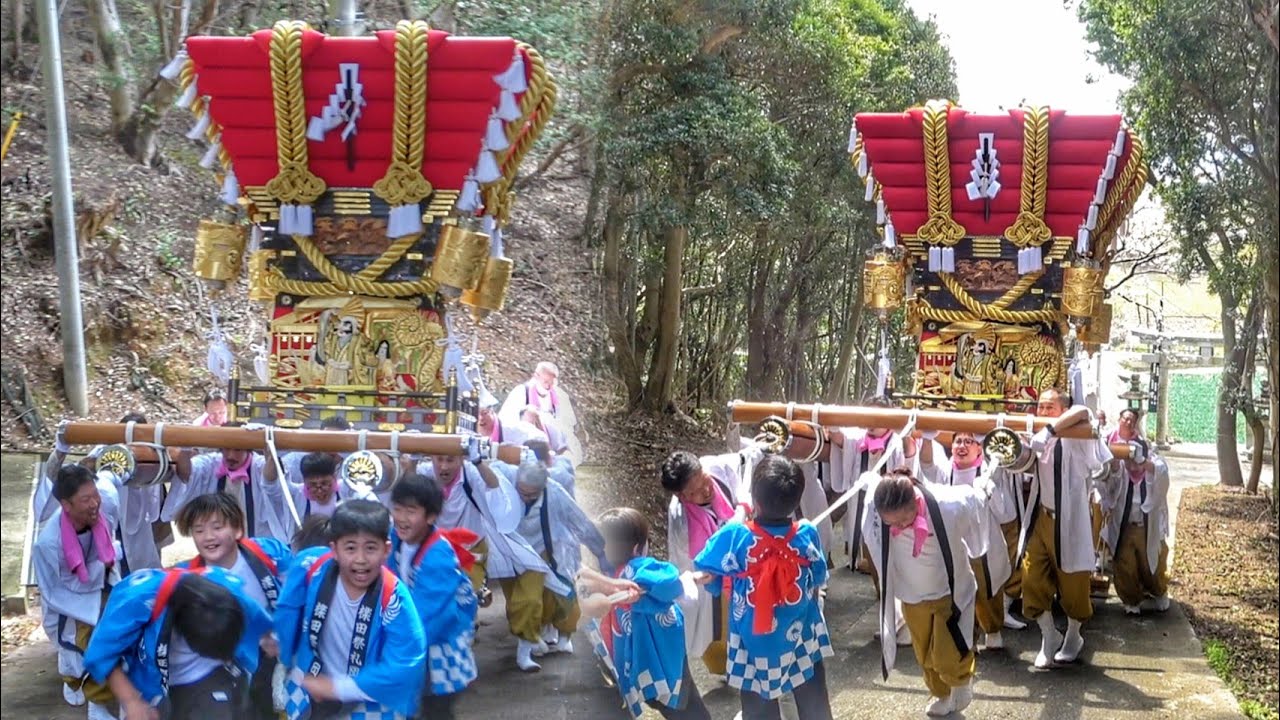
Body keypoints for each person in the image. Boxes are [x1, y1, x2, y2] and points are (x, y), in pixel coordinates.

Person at [693, 455, 834, 720]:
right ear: (797, 500)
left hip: (753, 641)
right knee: (812, 696)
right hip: (800, 632)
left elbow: (707, 563)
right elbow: (818, 575)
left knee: (758, 703)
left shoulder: (735, 536)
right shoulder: (805, 533)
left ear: (756, 500)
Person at [274, 500, 427, 719]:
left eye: (371, 548)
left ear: (387, 549)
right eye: (351, 547)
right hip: (314, 684)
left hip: (370, 697)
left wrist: (337, 688)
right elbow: (287, 610)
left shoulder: (394, 596)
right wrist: (286, 654)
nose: (360, 559)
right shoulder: (310, 567)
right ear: (334, 549)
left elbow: (407, 659)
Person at [419, 447, 561, 672]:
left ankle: (522, 651)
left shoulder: (472, 473)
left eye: (450, 459)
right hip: (438, 549)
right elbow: (398, 476)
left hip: (481, 547)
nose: (444, 466)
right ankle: (448, 646)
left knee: (518, 600)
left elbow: (493, 485)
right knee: (439, 600)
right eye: (439, 458)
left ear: (462, 459)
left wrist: (477, 462)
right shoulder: (425, 472)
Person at [865, 468, 992, 717]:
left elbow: (974, 498)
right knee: (924, 653)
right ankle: (941, 693)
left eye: (904, 519)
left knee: (948, 650)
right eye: (893, 523)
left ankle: (961, 680)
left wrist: (984, 487)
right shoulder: (877, 509)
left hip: (948, 590)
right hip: (911, 594)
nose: (899, 526)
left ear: (915, 499)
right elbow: (869, 485)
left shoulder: (949, 504)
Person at [83, 567, 273, 720]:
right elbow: (102, 654)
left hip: (215, 675)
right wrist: (131, 700)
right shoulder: (136, 599)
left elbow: (267, 630)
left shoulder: (227, 590)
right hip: (155, 684)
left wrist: (277, 645)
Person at [580, 507, 711, 720]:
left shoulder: (611, 575)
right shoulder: (639, 568)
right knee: (694, 714)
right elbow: (667, 581)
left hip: (640, 665)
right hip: (665, 663)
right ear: (637, 548)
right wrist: (688, 578)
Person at [174, 493, 293, 720]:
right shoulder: (188, 578)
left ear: (238, 530)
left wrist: (283, 634)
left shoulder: (270, 552)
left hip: (272, 649)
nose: (208, 537)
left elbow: (296, 595)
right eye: (198, 530)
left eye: (217, 527)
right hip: (222, 659)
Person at [1020, 388, 1112, 668]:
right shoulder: (1034, 435)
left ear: (1062, 410)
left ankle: (1074, 635)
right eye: (1041, 407)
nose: (1044, 411)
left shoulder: (1076, 434)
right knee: (1031, 579)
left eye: (1050, 407)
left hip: (1071, 521)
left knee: (1073, 585)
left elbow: (1082, 411)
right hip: (1041, 517)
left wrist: (1049, 429)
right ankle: (1049, 634)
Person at [661, 444, 763, 675]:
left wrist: (744, 508)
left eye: (703, 480)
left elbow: (747, 461)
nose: (705, 490)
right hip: (714, 577)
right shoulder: (680, 518)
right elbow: (682, 560)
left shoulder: (716, 467)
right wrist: (693, 578)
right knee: (719, 629)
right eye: (695, 491)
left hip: (749, 558)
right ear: (681, 495)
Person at [33, 464, 122, 720]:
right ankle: (97, 704)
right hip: (70, 606)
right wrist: (106, 561)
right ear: (66, 505)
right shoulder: (49, 544)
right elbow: (62, 588)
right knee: (88, 648)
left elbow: (111, 476)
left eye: (95, 495)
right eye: (86, 499)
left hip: (104, 585)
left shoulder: (102, 506)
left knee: (123, 633)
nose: (95, 503)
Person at [388, 473, 479, 719]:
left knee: (436, 710)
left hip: (438, 646)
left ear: (430, 516)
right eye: (397, 509)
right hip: (411, 639)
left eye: (410, 511)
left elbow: (430, 615)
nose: (401, 518)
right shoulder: (395, 538)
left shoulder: (438, 556)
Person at [918, 431, 1017, 649]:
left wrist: (992, 493)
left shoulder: (990, 471)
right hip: (953, 542)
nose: (962, 446)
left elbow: (1006, 514)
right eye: (958, 441)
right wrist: (925, 436)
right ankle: (965, 636)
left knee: (986, 586)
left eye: (969, 441)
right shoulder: (946, 471)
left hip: (984, 543)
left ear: (979, 448)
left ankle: (992, 630)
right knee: (955, 589)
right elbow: (927, 466)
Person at [39, 415, 166, 576]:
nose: (131, 447)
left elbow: (159, 517)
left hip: (140, 539)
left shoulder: (154, 460)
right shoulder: (100, 455)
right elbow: (58, 481)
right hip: (100, 531)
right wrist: (60, 450)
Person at [512, 462, 609, 663]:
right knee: (527, 599)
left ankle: (563, 635)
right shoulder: (508, 483)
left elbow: (579, 521)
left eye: (531, 495)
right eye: (522, 492)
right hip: (521, 551)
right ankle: (528, 642)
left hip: (553, 548)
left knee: (565, 594)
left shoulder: (555, 493)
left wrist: (599, 551)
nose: (525, 497)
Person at [163, 424, 286, 542]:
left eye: (238, 449)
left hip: (258, 543)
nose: (230, 455)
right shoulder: (211, 463)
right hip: (217, 544)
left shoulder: (258, 466)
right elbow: (186, 475)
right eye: (226, 448)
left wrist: (269, 446)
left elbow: (271, 480)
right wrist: (185, 445)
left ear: (248, 450)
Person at [1102, 409, 1171, 614]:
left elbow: (1162, 473)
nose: (1132, 465)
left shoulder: (1151, 464)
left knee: (1152, 562)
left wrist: (1144, 464)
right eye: (1125, 418)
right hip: (1124, 525)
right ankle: (1131, 600)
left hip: (1146, 524)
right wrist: (1116, 464)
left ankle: (1158, 591)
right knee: (1124, 563)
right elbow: (1109, 485)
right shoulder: (1122, 470)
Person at [264, 450, 376, 540]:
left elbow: (370, 502)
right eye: (312, 485)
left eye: (325, 483)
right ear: (304, 481)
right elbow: (271, 487)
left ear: (334, 477)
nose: (319, 490)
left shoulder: (348, 489)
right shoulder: (296, 494)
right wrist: (272, 455)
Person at [500, 361, 585, 465]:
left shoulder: (560, 395)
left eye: (552, 383)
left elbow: (568, 424)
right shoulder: (520, 392)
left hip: (555, 440)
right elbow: (507, 422)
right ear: (536, 376)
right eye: (546, 382)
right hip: (527, 441)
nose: (549, 387)